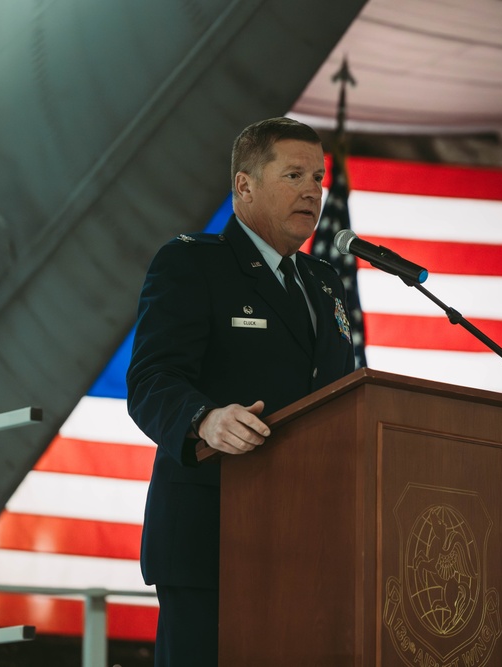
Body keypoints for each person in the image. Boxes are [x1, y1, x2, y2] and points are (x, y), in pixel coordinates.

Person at [126, 117, 356, 665]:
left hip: (308, 543)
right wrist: (205, 420)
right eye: (294, 174)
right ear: (244, 186)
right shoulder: (193, 263)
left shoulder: (325, 283)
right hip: (213, 537)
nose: (311, 190)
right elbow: (151, 378)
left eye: (319, 178)